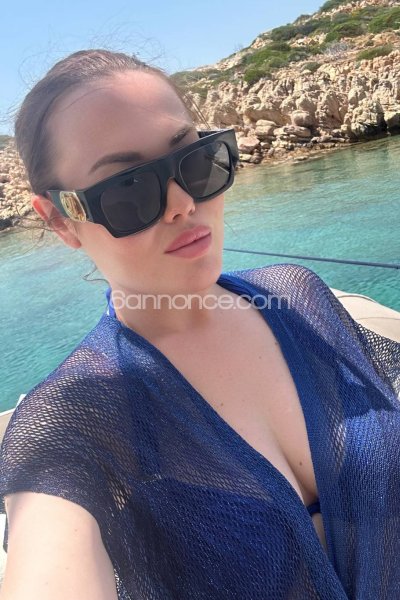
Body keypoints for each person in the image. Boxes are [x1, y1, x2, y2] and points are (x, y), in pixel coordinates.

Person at [0, 49, 399, 600]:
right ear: (62, 220)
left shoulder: (297, 297)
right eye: (127, 190)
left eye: (196, 160)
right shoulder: (74, 418)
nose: (183, 204)